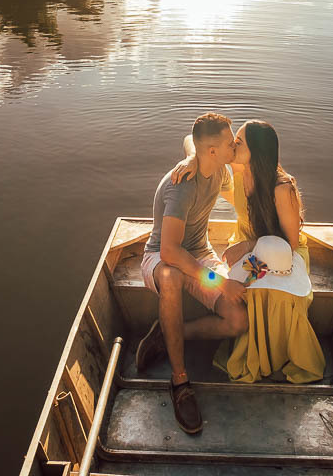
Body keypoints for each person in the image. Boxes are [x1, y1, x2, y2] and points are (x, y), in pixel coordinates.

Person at [172, 119, 325, 383]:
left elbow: (289, 243)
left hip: (280, 252)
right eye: (233, 142)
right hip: (246, 244)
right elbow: (191, 138)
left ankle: (271, 355)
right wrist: (191, 160)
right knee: (239, 291)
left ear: (256, 151)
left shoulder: (282, 188)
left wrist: (250, 245)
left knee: (275, 295)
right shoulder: (237, 168)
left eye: (239, 143)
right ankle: (176, 332)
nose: (232, 146)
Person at [137, 112, 248, 435]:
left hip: (199, 254)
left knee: (238, 322)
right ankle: (180, 381)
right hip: (160, 257)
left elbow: (192, 141)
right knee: (172, 277)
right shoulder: (182, 187)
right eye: (230, 142)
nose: (235, 145)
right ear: (212, 151)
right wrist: (218, 282)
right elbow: (170, 253)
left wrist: (190, 155)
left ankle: (168, 334)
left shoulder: (218, 168)